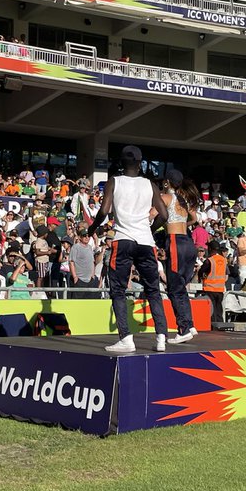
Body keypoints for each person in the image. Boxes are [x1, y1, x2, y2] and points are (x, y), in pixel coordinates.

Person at [89, 145, 169, 353]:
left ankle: (126, 338)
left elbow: (104, 210)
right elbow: (164, 216)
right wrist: (150, 228)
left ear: (121, 162)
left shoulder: (114, 181)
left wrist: (91, 228)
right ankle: (161, 337)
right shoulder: (150, 184)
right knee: (153, 289)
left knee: (118, 290)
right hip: (145, 241)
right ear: (140, 162)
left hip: (123, 240)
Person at [161, 168, 199, 344]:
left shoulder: (166, 197)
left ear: (167, 182)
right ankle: (190, 325)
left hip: (175, 242)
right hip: (188, 243)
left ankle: (183, 329)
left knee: (174, 288)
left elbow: (154, 215)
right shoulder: (184, 200)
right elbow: (194, 218)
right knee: (181, 287)